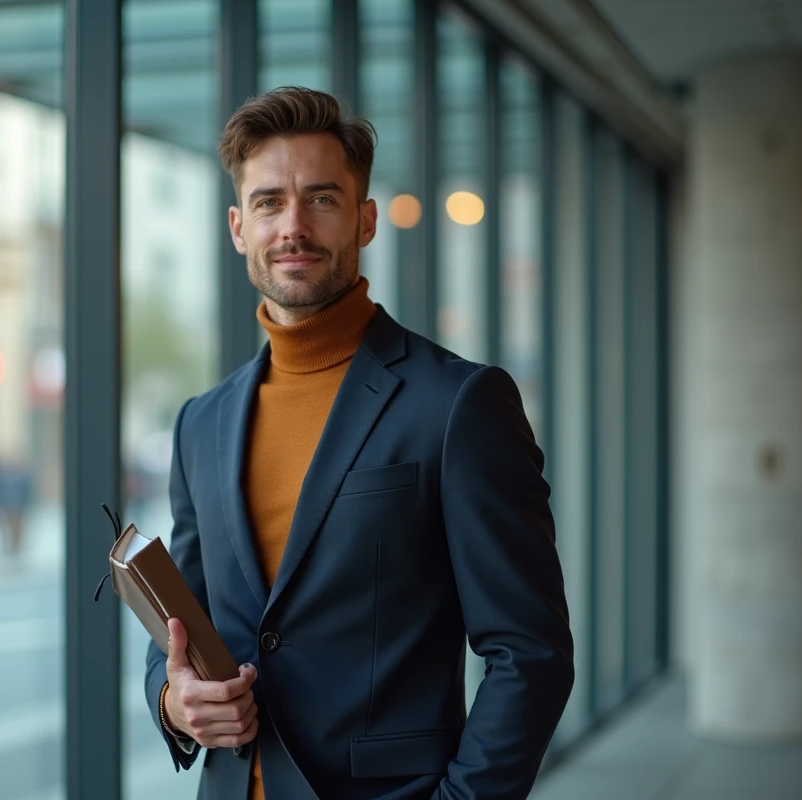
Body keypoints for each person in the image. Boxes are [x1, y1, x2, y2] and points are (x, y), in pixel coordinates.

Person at [144, 87, 574, 800]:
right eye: (268, 203)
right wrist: (171, 702)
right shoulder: (201, 423)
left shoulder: (458, 405)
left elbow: (530, 651)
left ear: (365, 219)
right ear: (238, 227)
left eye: (321, 199)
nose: (293, 226)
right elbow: (180, 625)